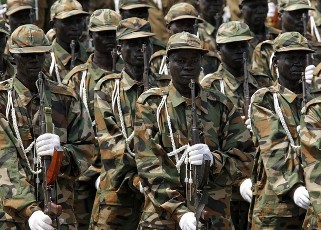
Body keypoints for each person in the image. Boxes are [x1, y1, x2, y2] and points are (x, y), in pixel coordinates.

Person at [134, 31, 254, 229]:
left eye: (193, 60)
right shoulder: (152, 105)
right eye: (180, 60)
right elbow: (149, 165)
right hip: (163, 216)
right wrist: (180, 212)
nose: (188, 66)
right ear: (167, 61)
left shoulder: (221, 104)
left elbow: (245, 159)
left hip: (213, 214)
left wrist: (213, 161)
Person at [0, 24, 95, 229]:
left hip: (59, 211)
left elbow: (87, 148)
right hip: (10, 215)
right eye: (27, 56)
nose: (34, 60)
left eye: (39, 54)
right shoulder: (2, 99)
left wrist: (62, 153)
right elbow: (4, 161)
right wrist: (29, 210)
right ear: (13, 57)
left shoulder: (64, 97)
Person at [90, 17, 170, 229]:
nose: (140, 49)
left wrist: (154, 178)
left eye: (145, 43)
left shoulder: (166, 87)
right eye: (132, 44)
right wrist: (137, 179)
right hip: (118, 190)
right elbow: (110, 144)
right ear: (119, 48)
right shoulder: (107, 89)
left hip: (162, 189)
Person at [62, 9, 122, 230]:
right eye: (103, 34)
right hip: (84, 172)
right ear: (90, 35)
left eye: (113, 34)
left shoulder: (131, 75)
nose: (109, 39)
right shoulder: (77, 78)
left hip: (121, 172)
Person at [249, 31, 313, 229]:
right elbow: (273, 146)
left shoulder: (314, 101)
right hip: (277, 205)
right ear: (275, 61)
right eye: (290, 57)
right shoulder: (265, 99)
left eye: (301, 57)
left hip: (314, 201)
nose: (297, 63)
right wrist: (293, 186)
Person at [201, 21, 258, 230]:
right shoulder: (210, 86)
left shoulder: (261, 84)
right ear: (219, 50)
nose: (240, 51)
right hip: (224, 182)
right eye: (232, 46)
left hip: (258, 178)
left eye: (243, 45)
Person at [251, 0, 315, 88]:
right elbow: (261, 85)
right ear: (280, 15)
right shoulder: (267, 50)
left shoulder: (316, 46)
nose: (301, 18)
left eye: (304, 13)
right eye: (295, 13)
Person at [43, 0, 90, 83]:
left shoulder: (90, 57)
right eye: (68, 22)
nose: (75, 27)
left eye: (79, 21)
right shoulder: (46, 60)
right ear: (53, 25)